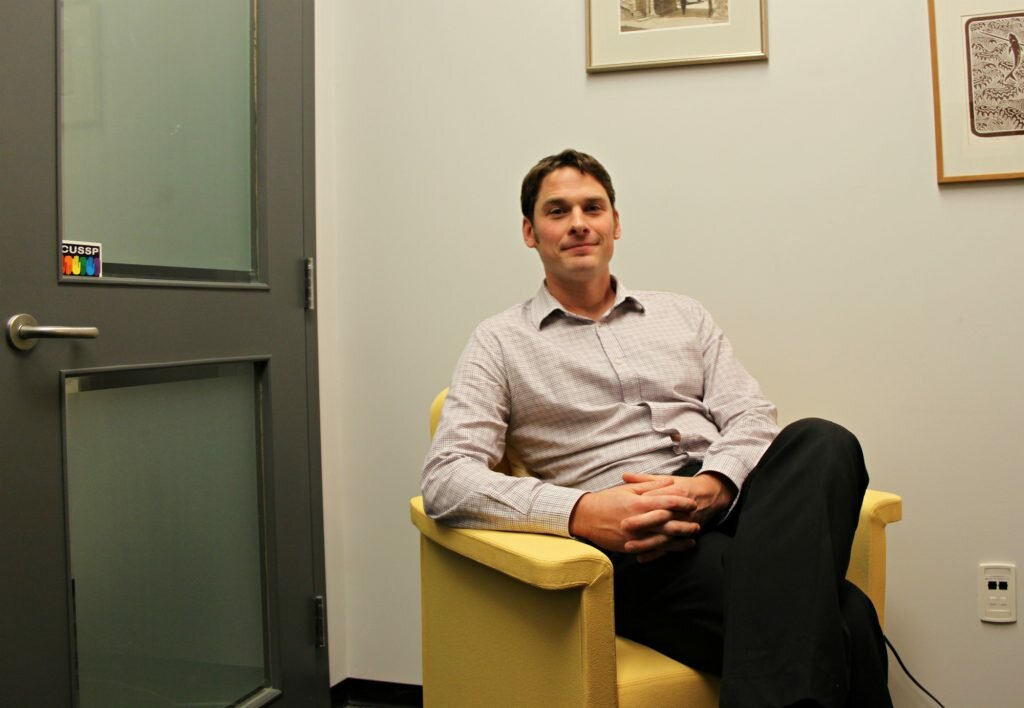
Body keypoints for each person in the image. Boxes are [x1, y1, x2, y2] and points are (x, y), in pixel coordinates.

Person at [421, 149, 891, 707]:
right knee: (849, 618)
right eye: (557, 211)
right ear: (530, 232)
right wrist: (581, 512)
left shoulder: (682, 315)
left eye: (592, 207)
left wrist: (713, 486)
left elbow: (749, 415)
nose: (578, 223)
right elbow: (447, 478)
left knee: (824, 439)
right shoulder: (499, 342)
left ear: (615, 223)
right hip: (642, 541)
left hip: (732, 502)